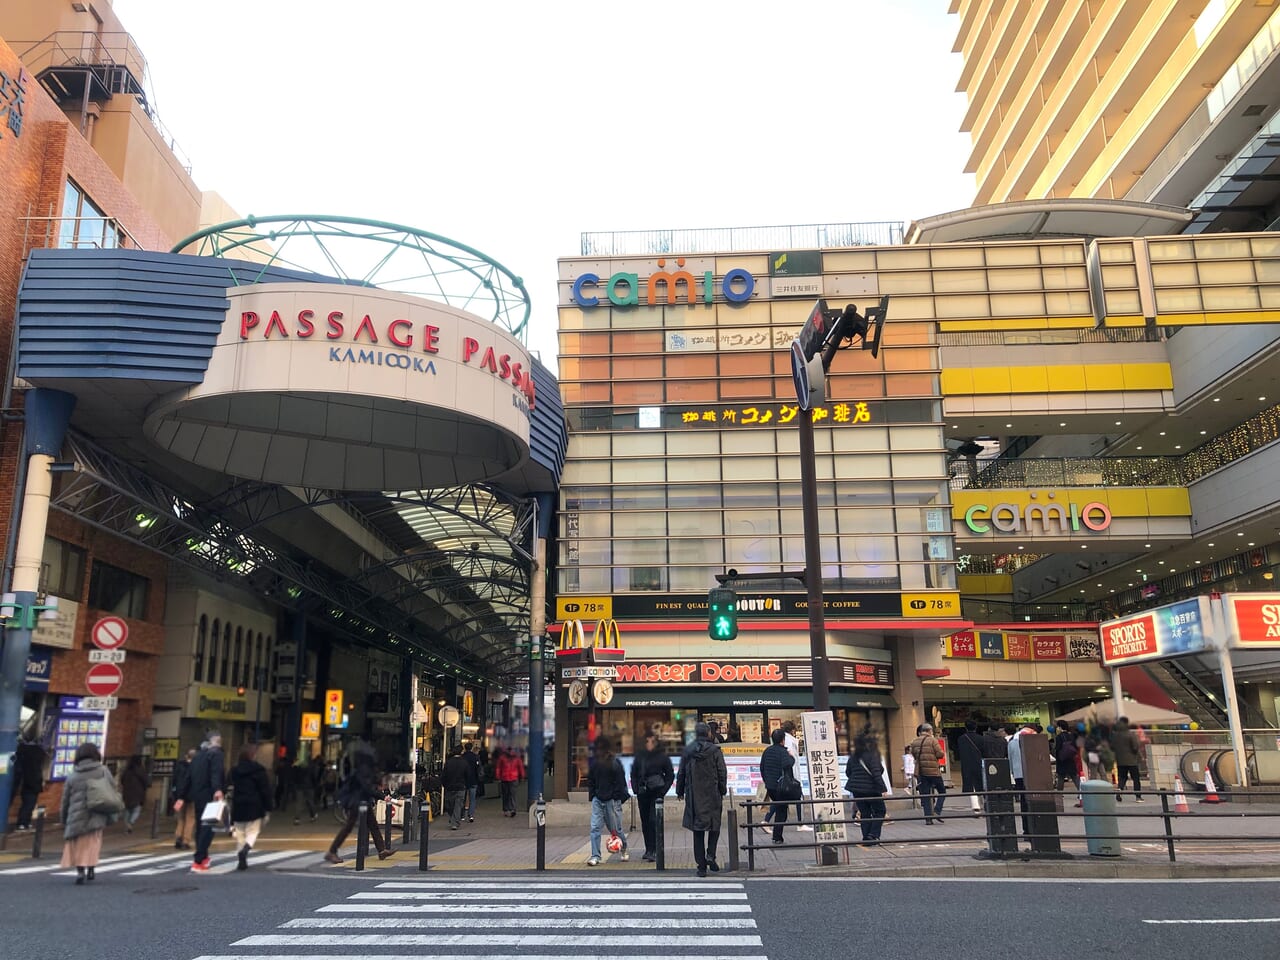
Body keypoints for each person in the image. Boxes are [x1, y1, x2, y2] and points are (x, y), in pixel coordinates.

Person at [325, 733, 395, 862]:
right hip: (357, 801)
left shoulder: (363, 769)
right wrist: (382, 796)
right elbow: (366, 788)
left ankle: (381, 850)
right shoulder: (362, 770)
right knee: (349, 826)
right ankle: (332, 851)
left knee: (372, 825)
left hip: (363, 801)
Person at [676, 721, 727, 877]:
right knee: (714, 826)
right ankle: (710, 854)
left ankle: (701, 866)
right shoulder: (715, 751)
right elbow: (721, 772)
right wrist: (722, 789)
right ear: (708, 734)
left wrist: (680, 791)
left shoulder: (688, 751)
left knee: (698, 831)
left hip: (694, 795)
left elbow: (682, 773)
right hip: (712, 794)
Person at [60, 741, 114, 884]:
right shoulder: (103, 771)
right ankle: (91, 866)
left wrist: (64, 818)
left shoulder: (73, 775)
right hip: (97, 812)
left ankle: (80, 871)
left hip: (76, 815)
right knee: (93, 841)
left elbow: (65, 799)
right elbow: (112, 789)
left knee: (77, 843)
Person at [180, 731, 225, 872]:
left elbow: (188, 777)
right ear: (213, 742)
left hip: (197, 795)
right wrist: (217, 789)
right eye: (218, 741)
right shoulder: (216, 754)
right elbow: (216, 773)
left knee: (201, 826)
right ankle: (199, 859)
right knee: (208, 827)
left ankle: (203, 857)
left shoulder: (197, 756)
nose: (219, 744)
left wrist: (181, 796)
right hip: (210, 795)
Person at [630, 730, 675, 860]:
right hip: (643, 792)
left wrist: (663, 790)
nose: (649, 744)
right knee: (645, 822)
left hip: (657, 792)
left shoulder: (662, 757)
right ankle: (648, 849)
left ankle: (655, 849)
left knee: (653, 820)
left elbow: (670, 775)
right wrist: (635, 788)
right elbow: (633, 773)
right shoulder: (640, 756)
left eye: (651, 741)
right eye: (647, 741)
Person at [585, 736, 629, 866]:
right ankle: (595, 856)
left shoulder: (615, 763)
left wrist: (615, 798)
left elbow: (620, 782)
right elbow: (591, 781)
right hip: (598, 799)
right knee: (595, 828)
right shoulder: (595, 764)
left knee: (616, 829)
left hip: (612, 801)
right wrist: (593, 796)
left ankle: (624, 848)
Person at [229, 743, 273, 870]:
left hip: (238, 804)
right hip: (254, 804)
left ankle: (241, 858)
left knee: (240, 833)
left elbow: (230, 785)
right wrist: (268, 807)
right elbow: (265, 790)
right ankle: (246, 850)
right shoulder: (259, 770)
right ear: (253, 755)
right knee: (253, 831)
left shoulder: (234, 770)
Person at [845, 728, 888, 844]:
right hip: (872, 789)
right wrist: (883, 788)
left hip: (857, 789)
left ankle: (866, 837)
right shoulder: (872, 754)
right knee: (880, 810)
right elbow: (877, 773)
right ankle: (873, 835)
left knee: (865, 813)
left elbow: (848, 772)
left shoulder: (854, 756)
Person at [757, 727, 793, 844]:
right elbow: (788, 765)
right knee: (781, 811)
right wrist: (791, 757)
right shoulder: (783, 752)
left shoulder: (767, 751)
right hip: (781, 786)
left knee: (778, 807)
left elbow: (762, 767)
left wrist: (767, 781)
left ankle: (776, 835)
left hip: (770, 786)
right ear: (782, 740)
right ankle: (777, 837)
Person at [909, 722, 947, 824]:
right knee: (942, 791)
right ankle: (937, 810)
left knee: (925, 795)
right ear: (930, 731)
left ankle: (928, 819)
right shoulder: (933, 741)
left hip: (922, 772)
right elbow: (940, 754)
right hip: (934, 771)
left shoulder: (915, 741)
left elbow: (913, 754)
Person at [12, 733, 45, 831]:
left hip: (26, 782)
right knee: (30, 804)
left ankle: (23, 822)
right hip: (34, 783)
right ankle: (24, 822)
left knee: (27, 804)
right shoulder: (38, 752)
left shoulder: (22, 752)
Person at [781, 720, 810, 831]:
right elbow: (791, 756)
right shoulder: (791, 741)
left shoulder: (785, 739)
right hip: (792, 774)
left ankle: (766, 821)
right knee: (799, 797)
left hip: (788, 774)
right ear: (792, 730)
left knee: (781, 800)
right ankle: (800, 823)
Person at [1112, 717, 1145, 802]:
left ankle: (1120, 790)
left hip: (1120, 760)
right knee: (1136, 778)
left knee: (1122, 777)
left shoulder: (1115, 735)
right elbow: (1135, 747)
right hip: (1132, 760)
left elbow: (1112, 747)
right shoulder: (1130, 734)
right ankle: (1138, 796)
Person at [171, 748, 197, 849]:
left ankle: (178, 837)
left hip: (179, 796)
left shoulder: (179, 766)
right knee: (190, 818)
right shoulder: (195, 767)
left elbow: (174, 780)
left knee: (181, 818)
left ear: (186, 756)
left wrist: (176, 794)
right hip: (191, 796)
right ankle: (186, 840)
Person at [957, 720, 984, 814]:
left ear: (966, 727)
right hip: (979, 764)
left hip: (966, 765)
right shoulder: (981, 739)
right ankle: (983, 804)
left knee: (971, 785)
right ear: (976, 727)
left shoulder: (961, 739)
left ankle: (975, 807)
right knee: (981, 784)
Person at [440, 744, 470, 830]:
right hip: (461, 787)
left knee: (450, 805)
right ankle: (455, 821)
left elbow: (444, 775)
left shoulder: (449, 762)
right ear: (461, 752)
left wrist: (444, 784)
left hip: (450, 787)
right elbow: (468, 775)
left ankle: (453, 820)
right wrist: (466, 785)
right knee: (458, 805)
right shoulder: (464, 762)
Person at [1054, 721, 1082, 806]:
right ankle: (1081, 792)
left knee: (1061, 778)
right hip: (1071, 759)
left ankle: (1059, 794)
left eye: (1058, 727)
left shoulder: (1059, 737)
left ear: (1060, 727)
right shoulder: (1071, 736)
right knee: (1074, 776)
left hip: (1061, 760)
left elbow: (1057, 748)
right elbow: (1076, 747)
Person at [119, 755, 149, 833]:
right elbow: (146, 781)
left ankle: (127, 826)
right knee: (136, 809)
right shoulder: (141, 770)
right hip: (138, 793)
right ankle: (131, 822)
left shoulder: (127, 770)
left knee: (127, 810)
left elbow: (122, 780)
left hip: (127, 793)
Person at [494, 746, 525, 818]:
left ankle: (506, 810)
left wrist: (498, 776)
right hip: (513, 778)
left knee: (506, 795)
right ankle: (512, 809)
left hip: (505, 778)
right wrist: (522, 776)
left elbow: (498, 768)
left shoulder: (502, 757)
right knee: (512, 794)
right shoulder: (517, 758)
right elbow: (520, 767)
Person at [461, 742, 482, 823]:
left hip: (463, 780)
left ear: (464, 748)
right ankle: (471, 815)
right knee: (472, 799)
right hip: (473, 780)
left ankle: (462, 815)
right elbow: (478, 768)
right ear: (472, 748)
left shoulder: (462, 757)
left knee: (463, 798)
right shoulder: (475, 757)